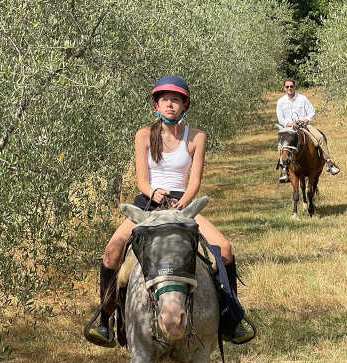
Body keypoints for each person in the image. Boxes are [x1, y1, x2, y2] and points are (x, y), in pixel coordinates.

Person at [86, 75, 254, 347]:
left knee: (224, 248)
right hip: (148, 203)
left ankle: (231, 319)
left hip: (181, 204)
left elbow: (195, 180)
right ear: (156, 105)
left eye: (176, 100)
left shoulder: (197, 137)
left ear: (185, 106)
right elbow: (142, 179)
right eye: (165, 100)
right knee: (112, 251)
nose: (170, 104)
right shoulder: (143, 135)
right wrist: (152, 192)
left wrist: (183, 201)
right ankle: (105, 320)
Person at [275, 79, 339, 183]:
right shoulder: (280, 101)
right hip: (289, 128)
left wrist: (305, 120)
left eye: (291, 86)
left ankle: (329, 162)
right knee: (281, 146)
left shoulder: (302, 99)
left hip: (304, 126)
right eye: (287, 87)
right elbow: (280, 118)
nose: (289, 88)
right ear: (284, 88)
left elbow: (312, 112)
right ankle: (284, 169)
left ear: (295, 87)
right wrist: (289, 123)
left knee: (320, 137)